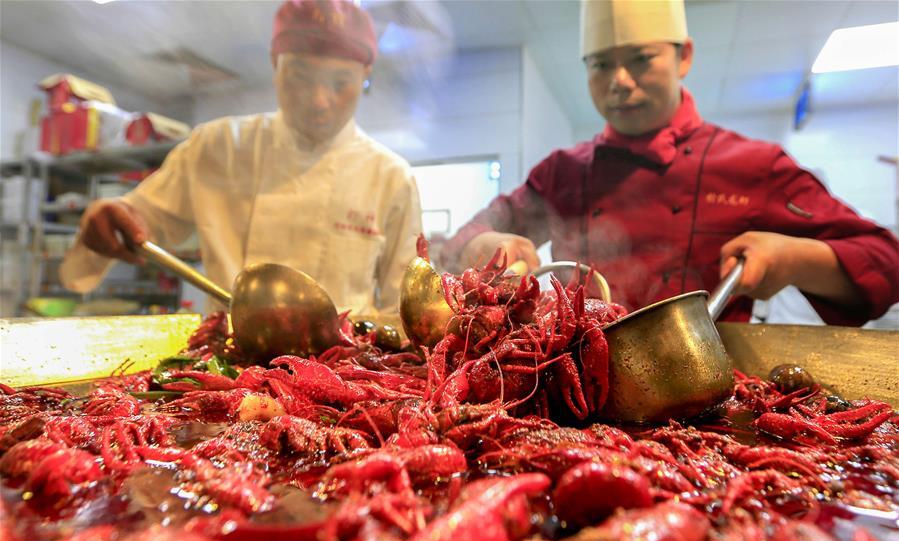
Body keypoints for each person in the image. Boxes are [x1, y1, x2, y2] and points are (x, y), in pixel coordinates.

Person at [441, 0, 899, 326]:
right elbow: (466, 239)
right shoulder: (562, 172)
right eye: (600, 65)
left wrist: (794, 259)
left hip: (706, 396)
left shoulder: (753, 166)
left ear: (685, 56)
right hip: (569, 390)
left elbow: (885, 263)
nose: (619, 82)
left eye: (641, 59)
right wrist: (487, 245)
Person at [61, 0, 422, 318]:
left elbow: (403, 313)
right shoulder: (217, 146)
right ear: (275, 64)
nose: (319, 100)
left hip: (342, 376)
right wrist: (111, 219)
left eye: (340, 82)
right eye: (300, 76)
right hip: (226, 367)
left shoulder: (392, 177)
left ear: (365, 76)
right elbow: (139, 221)